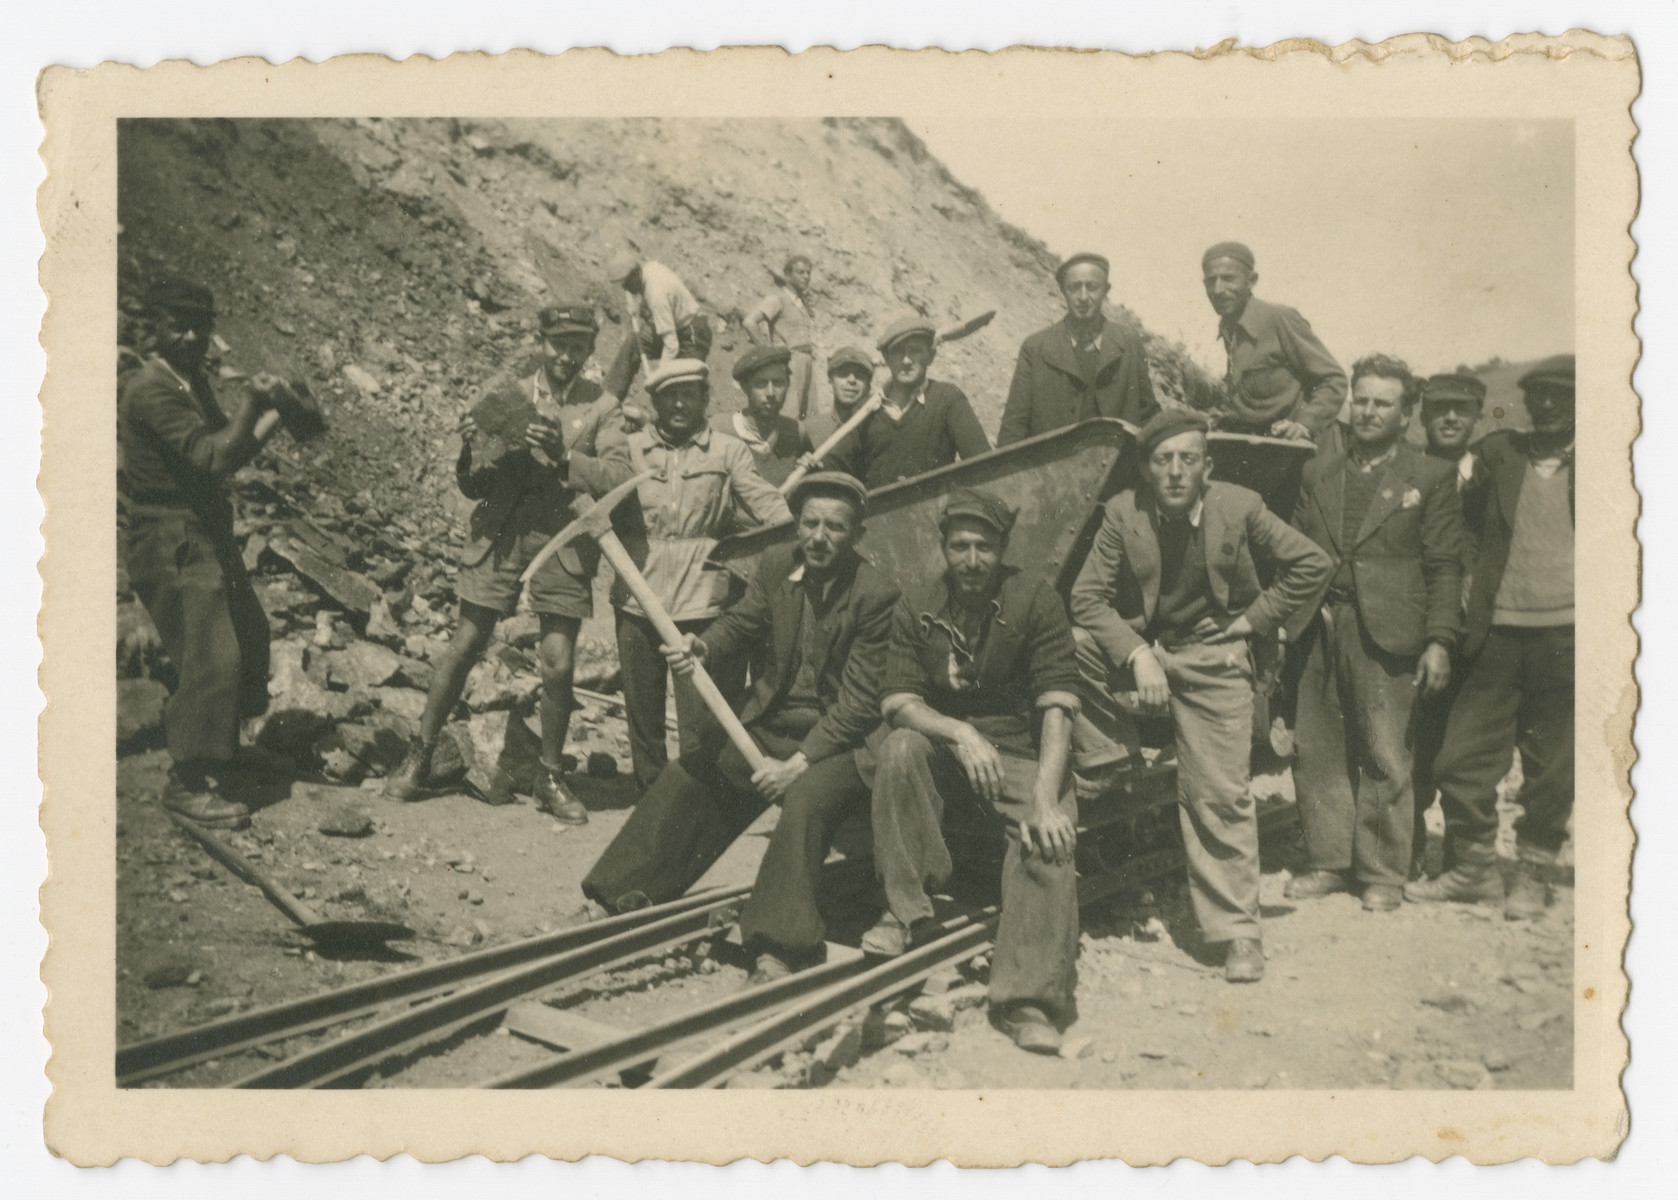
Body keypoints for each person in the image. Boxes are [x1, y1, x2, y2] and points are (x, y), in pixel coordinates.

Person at [581, 473, 898, 982]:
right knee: (695, 773)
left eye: (835, 528)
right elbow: (742, 623)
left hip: (838, 743)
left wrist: (797, 765)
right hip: (772, 723)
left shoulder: (875, 595)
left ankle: (778, 946)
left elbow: (859, 705)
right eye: (810, 523)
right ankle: (615, 897)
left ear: (856, 535)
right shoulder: (778, 567)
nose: (818, 537)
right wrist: (701, 646)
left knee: (805, 801)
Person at [1069, 409, 1330, 981]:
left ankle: (1238, 932)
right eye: (1162, 461)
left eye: (1188, 459)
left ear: (1206, 466)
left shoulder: (1238, 505)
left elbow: (1312, 562)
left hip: (1215, 659)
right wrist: (1137, 654)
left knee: (1220, 794)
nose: (1176, 472)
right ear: (1145, 469)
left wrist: (1254, 620)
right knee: (1075, 645)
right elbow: (1086, 599)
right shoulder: (1121, 513)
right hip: (1151, 653)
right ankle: (1111, 754)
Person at [384, 303, 632, 822]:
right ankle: (421, 752)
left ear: (590, 350)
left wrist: (564, 456)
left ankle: (550, 775)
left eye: (577, 346)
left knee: (558, 661)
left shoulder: (604, 406)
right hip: (501, 531)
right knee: (467, 642)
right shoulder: (509, 394)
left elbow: (616, 479)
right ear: (540, 342)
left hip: (562, 536)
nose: (566, 355)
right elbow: (472, 484)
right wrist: (474, 447)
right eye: (557, 343)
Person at [867, 488, 1082, 1055]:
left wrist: (1045, 796)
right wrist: (961, 733)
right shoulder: (918, 604)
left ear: (1002, 549)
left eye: (984, 547)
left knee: (1049, 838)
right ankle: (906, 911)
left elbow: (1057, 704)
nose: (971, 559)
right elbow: (898, 700)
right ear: (943, 548)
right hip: (953, 753)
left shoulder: (1035, 599)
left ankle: (1028, 1000)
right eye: (959, 546)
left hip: (1021, 756)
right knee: (898, 749)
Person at [1284, 355, 1465, 912]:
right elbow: (1294, 547)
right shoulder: (1319, 471)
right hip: (1322, 624)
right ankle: (1330, 862)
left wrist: (1439, 640)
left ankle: (1383, 871)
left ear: (1405, 412)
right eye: (1359, 400)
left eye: (1381, 403)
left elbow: (1444, 565)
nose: (1366, 411)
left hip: (1390, 632)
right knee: (1319, 746)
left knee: (1387, 751)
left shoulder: (1430, 476)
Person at [1406, 355, 1575, 920]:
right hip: (1496, 631)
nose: (1548, 405)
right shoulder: (1504, 453)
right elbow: (1454, 501)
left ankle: (1532, 873)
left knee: (1551, 765)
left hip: (1568, 635)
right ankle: (1474, 869)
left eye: (1561, 396)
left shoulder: (1614, 463)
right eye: (1539, 396)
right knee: (1461, 757)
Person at [119, 278, 287, 829]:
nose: (191, 335)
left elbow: (227, 445)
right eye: (178, 324)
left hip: (200, 530)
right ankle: (187, 780)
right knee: (211, 655)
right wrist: (255, 404)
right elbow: (212, 458)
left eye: (200, 325)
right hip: (171, 537)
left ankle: (224, 749)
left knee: (247, 632)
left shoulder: (186, 381)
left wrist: (273, 415)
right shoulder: (150, 388)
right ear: (155, 326)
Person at [615, 359, 792, 787]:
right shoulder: (630, 449)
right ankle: (650, 800)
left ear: (703, 399)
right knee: (644, 713)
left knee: (700, 721)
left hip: (703, 598)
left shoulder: (727, 451)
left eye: (689, 394)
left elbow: (766, 503)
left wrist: (797, 532)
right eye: (669, 395)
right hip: (638, 596)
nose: (678, 403)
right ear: (655, 400)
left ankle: (691, 802)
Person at [1410, 371, 1492, 877]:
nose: (1449, 417)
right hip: (1420, 625)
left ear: (1478, 416)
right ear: (1421, 415)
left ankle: (1466, 860)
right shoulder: (1408, 471)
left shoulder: (1493, 475)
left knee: (1469, 747)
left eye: (1461, 409)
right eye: (1438, 408)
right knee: (1415, 740)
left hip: (1480, 629)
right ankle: (1409, 846)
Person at [997, 252, 1158, 445]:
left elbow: (1148, 414)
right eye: (1074, 287)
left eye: (1092, 287)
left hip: (1117, 467)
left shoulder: (1129, 342)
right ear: (1063, 291)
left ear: (1106, 290)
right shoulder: (1035, 348)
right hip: (1052, 469)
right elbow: (1013, 428)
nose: (1083, 297)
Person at [1202, 242, 1347, 443]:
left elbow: (1334, 379)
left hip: (1303, 452)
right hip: (1263, 449)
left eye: (1228, 279)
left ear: (1251, 281)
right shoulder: (1230, 329)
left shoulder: (1279, 319)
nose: (1218, 289)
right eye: (1211, 281)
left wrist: (1304, 425)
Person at [826, 316, 991, 489]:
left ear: (931, 356)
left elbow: (983, 467)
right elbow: (835, 466)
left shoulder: (948, 399)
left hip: (935, 513)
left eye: (915, 350)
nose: (906, 360)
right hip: (877, 513)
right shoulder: (865, 410)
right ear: (886, 358)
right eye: (898, 351)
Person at [600, 252, 714, 403]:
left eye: (626, 283)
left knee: (679, 385)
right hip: (676, 326)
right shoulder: (648, 269)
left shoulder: (657, 295)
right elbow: (642, 290)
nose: (624, 288)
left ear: (635, 273)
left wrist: (659, 378)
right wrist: (636, 306)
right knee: (634, 342)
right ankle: (608, 400)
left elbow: (671, 345)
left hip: (693, 335)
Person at [713, 344, 815, 488]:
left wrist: (808, 471)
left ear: (788, 385)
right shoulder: (720, 430)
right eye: (761, 384)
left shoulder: (796, 433)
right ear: (746, 387)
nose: (771, 393)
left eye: (778, 383)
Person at [744, 253, 819, 421]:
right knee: (789, 413)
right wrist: (769, 354)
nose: (806, 277)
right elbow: (749, 322)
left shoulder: (802, 304)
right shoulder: (777, 299)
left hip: (807, 361)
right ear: (787, 274)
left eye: (808, 273)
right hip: (790, 362)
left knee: (811, 416)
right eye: (801, 272)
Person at [803, 344, 877, 451]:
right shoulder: (810, 430)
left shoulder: (875, 431)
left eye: (859, 375)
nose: (851, 380)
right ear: (831, 380)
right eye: (843, 373)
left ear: (868, 385)